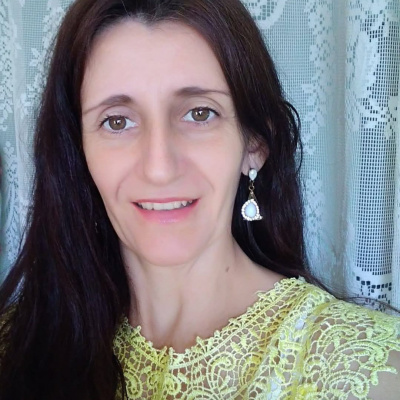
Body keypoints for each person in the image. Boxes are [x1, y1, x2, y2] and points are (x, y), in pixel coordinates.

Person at [0, 0, 399, 399]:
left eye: (199, 114)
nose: (159, 168)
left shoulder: (370, 372)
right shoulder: (15, 349)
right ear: (78, 151)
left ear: (255, 144)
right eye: (117, 121)